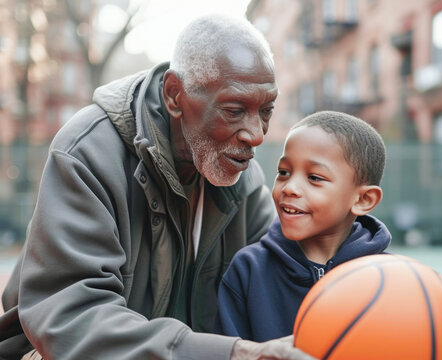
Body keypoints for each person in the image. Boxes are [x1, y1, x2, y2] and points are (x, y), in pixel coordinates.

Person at [0, 15, 315, 360]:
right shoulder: (88, 152)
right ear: (174, 96)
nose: (256, 133)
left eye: (266, 110)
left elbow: (280, 282)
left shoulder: (244, 180)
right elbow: (72, 319)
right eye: (234, 110)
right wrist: (235, 354)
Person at [214, 110, 392, 342]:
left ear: (363, 200)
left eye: (314, 177)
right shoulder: (248, 269)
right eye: (284, 172)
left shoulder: (389, 279)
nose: (289, 187)